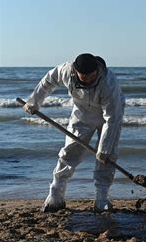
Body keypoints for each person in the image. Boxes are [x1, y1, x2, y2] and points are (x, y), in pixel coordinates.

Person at [22, 53, 125, 212]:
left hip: (109, 117)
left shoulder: (108, 83)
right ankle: (56, 194)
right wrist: (34, 102)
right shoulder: (65, 70)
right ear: (75, 71)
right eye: (83, 76)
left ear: (97, 71)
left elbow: (112, 119)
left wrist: (104, 149)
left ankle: (101, 198)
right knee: (69, 152)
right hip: (82, 114)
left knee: (107, 157)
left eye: (91, 76)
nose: (88, 79)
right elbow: (47, 81)